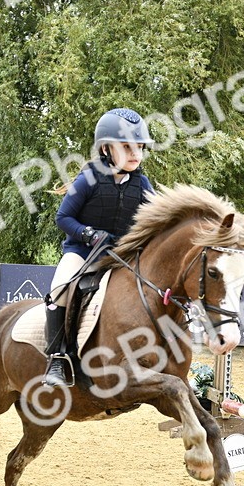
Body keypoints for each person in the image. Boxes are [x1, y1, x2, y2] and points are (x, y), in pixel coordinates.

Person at [43, 108, 156, 386]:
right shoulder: (89, 178)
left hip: (122, 257)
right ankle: (57, 360)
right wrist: (89, 234)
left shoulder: (142, 184)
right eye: (127, 147)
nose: (135, 154)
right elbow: (63, 218)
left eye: (139, 147)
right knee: (59, 290)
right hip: (83, 252)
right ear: (106, 148)